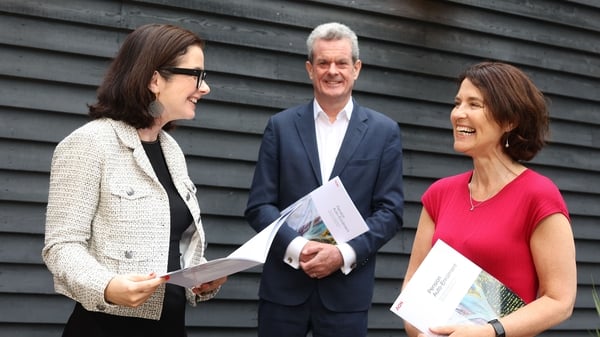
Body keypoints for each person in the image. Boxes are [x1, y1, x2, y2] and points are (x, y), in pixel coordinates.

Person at [42, 24, 226, 337]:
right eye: (196, 74)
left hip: (170, 328)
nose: (204, 87)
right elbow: (61, 246)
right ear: (155, 79)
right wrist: (107, 286)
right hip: (106, 329)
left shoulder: (171, 149)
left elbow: (166, 244)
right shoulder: (89, 143)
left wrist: (200, 275)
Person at [245, 22, 404, 337]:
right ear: (309, 68)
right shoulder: (281, 126)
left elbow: (390, 211)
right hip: (283, 293)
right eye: (323, 63)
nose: (333, 71)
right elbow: (260, 205)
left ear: (356, 68)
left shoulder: (384, 132)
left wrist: (342, 254)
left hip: (346, 295)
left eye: (342, 63)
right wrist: (299, 247)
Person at [402, 61, 577, 337]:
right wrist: (419, 330)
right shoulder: (439, 194)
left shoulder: (539, 195)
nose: (459, 113)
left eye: (474, 104)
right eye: (457, 103)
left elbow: (560, 301)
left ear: (510, 120)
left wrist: (487, 332)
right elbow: (412, 287)